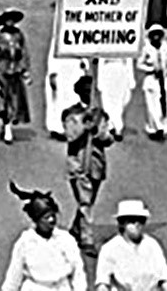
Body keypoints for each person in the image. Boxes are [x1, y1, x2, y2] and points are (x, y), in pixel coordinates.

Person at [62, 74, 114, 256]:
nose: (87, 94)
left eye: (90, 90)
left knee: (88, 201)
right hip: (78, 164)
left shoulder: (100, 114)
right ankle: (87, 239)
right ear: (78, 92)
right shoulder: (72, 114)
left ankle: (76, 229)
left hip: (96, 164)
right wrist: (85, 126)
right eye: (84, 90)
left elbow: (109, 138)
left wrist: (98, 131)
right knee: (85, 202)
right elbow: (70, 136)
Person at [2, 182, 87, 291]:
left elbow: (78, 272)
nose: (51, 220)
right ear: (36, 220)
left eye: (53, 215)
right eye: (46, 217)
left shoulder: (66, 239)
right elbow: (13, 279)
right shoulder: (25, 242)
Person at [95, 200, 167, 291]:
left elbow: (165, 278)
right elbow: (102, 282)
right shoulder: (109, 248)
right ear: (122, 223)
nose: (137, 225)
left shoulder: (152, 245)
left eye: (141, 221)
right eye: (132, 221)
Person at [0, 9, 32, 144]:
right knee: (3, 100)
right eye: (7, 20)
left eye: (12, 20)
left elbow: (24, 53)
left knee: (15, 100)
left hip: (16, 71)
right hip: (1, 71)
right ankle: (7, 127)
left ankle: (9, 122)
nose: (10, 22)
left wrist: (26, 70)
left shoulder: (19, 35)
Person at [136, 25, 167, 141]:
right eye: (154, 35)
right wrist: (151, 69)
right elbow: (139, 64)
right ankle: (154, 128)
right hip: (151, 80)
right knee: (152, 106)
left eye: (158, 35)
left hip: (164, 80)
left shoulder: (166, 49)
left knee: (164, 104)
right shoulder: (146, 49)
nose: (156, 37)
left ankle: (163, 127)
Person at [45, 53, 85, 141]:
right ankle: (57, 128)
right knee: (58, 100)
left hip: (75, 69)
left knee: (73, 99)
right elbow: (53, 54)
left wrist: (84, 62)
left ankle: (72, 128)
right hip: (60, 69)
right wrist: (52, 71)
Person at [96, 58, 135, 142]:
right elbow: (101, 60)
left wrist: (131, 79)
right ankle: (113, 127)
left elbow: (129, 60)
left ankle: (116, 125)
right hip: (107, 71)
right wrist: (99, 81)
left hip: (121, 71)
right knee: (107, 101)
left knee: (120, 101)